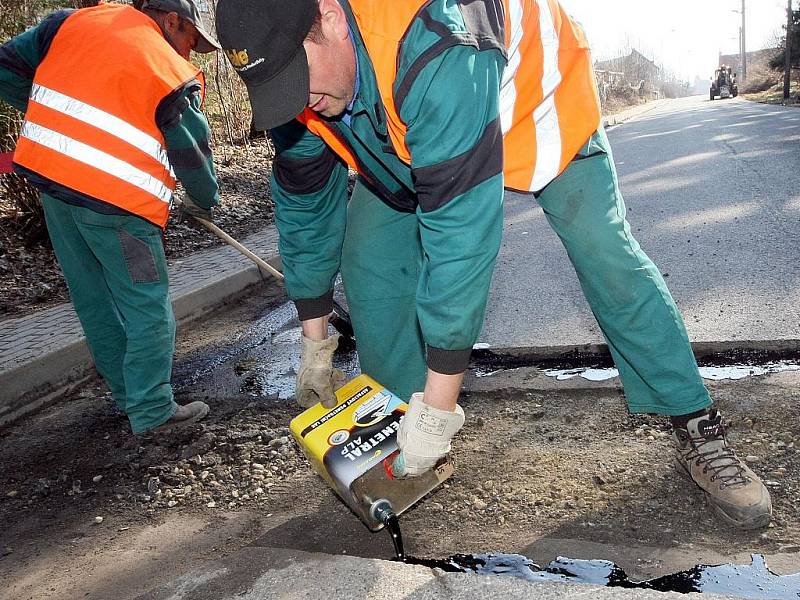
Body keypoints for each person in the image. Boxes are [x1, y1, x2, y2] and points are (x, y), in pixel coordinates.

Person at [215, 0, 772, 529]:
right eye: (279, 89)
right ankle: (392, 442)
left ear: (332, 18)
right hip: (406, 126)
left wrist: (440, 412)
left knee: (606, 255)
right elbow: (304, 208)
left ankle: (696, 424)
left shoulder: (432, 40)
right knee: (371, 267)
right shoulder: (307, 90)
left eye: (298, 77)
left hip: (534, 97)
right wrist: (315, 345)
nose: (299, 99)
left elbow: (460, 241)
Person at [0, 0, 220, 434]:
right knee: (147, 305)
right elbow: (193, 157)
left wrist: (63, 121)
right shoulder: (164, 67)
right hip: (118, 208)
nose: (188, 55)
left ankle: (130, 397)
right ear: (171, 20)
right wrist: (204, 200)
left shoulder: (72, 24)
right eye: (190, 42)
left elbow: (5, 64)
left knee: (94, 300)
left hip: (55, 190)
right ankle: (154, 412)